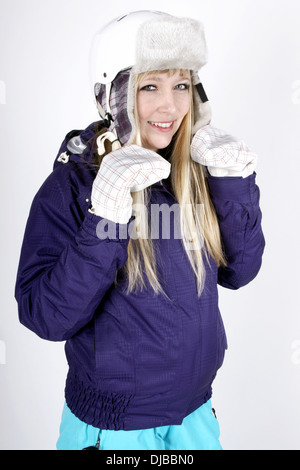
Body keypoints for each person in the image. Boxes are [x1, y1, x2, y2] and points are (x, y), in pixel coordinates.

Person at [15, 10, 265, 450]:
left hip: (195, 416)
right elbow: (44, 316)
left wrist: (230, 181)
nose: (170, 107)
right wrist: (105, 218)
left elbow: (238, 272)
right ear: (111, 96)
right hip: (115, 430)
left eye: (181, 85)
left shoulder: (194, 173)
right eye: (148, 86)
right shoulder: (73, 187)